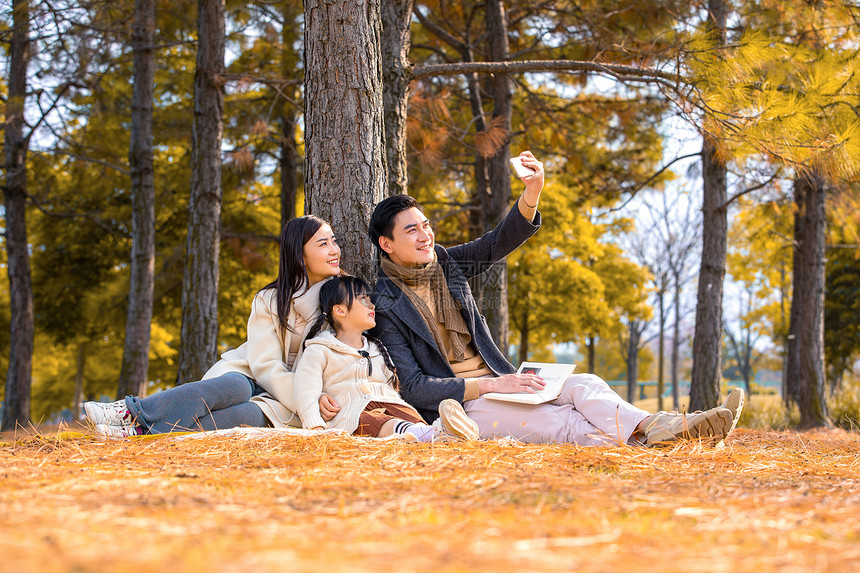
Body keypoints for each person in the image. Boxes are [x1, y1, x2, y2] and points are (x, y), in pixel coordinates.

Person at [366, 150, 744, 446]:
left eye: (426, 225)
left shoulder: (445, 262)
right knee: (563, 423)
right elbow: (414, 386)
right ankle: (669, 441)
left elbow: (495, 243)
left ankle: (663, 427)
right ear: (387, 244)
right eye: (411, 230)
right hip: (465, 405)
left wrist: (532, 194)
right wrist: (492, 386)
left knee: (585, 385)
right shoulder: (383, 303)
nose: (425, 235)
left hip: (506, 379)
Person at [83, 216, 344, 437]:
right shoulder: (270, 299)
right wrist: (305, 396)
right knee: (236, 387)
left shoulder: (344, 300)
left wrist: (311, 397)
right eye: (324, 244)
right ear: (300, 254)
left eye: (334, 241)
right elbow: (266, 366)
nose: (335, 250)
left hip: (293, 400)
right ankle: (131, 411)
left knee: (248, 415)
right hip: (253, 375)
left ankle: (136, 432)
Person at [294, 275, 479, 442]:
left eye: (369, 299)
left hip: (390, 404)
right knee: (374, 422)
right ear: (340, 311)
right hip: (352, 411)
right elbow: (306, 391)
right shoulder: (320, 349)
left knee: (407, 416)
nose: (371, 304)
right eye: (363, 300)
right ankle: (434, 434)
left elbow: (392, 388)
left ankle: (438, 432)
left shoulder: (376, 348)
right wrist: (315, 427)